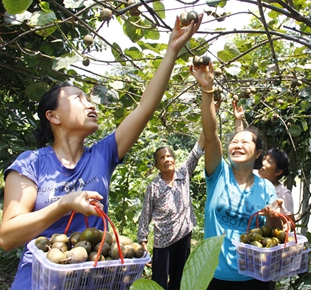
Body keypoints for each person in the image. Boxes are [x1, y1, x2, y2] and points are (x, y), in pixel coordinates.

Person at [0, 15, 202, 290]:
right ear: (53, 116)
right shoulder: (31, 164)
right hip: (38, 281)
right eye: (78, 98)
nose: (90, 104)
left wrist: (172, 50)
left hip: (97, 278)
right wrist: (64, 204)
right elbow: (7, 237)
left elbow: (144, 108)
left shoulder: (102, 154)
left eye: (89, 98)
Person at [190, 61, 280, 290]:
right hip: (213, 277)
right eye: (233, 142)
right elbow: (210, 135)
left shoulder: (266, 188)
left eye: (244, 142)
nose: (237, 145)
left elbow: (272, 230)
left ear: (258, 153)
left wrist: (273, 215)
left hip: (254, 278)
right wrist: (207, 90)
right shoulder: (219, 174)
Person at [137, 132, 205, 290]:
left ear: (174, 159)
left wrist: (211, 112)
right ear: (156, 165)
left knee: (180, 278)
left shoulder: (183, 173)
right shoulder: (153, 187)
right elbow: (146, 213)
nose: (166, 159)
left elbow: (197, 149)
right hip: (163, 240)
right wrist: (143, 240)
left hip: (183, 235)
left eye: (169, 156)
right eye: (162, 158)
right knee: (158, 281)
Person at [233, 101, 294, 221]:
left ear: (278, 172)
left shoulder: (283, 194)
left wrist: (275, 219)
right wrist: (238, 121)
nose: (263, 163)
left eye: (269, 162)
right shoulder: (253, 175)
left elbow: (290, 224)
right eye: (264, 159)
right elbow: (242, 148)